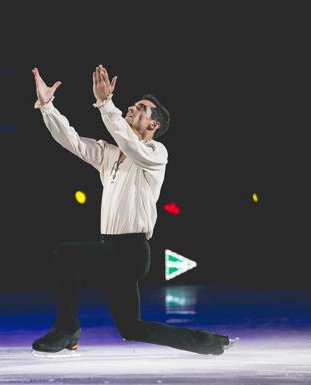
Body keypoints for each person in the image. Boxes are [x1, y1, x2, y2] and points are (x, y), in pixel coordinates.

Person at [30, 65, 238, 355]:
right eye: (135, 104)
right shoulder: (110, 153)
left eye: (141, 108)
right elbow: (73, 141)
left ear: (153, 126)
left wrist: (106, 104)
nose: (132, 107)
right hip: (110, 249)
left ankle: (67, 330)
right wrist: (47, 106)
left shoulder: (156, 153)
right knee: (132, 328)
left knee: (65, 254)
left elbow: (132, 145)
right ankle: (209, 342)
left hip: (131, 253)